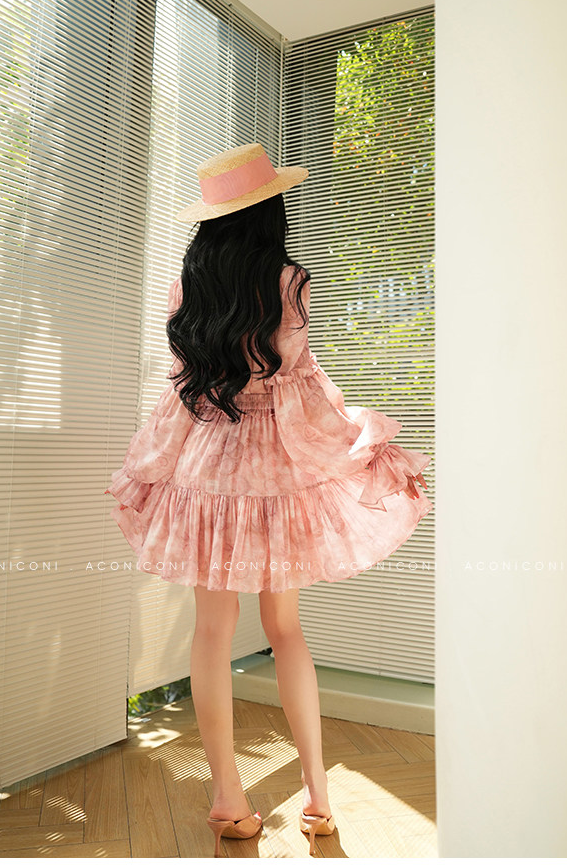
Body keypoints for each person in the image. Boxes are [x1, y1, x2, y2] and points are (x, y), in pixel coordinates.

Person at [104, 142, 432, 857]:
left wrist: (151, 464)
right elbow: (301, 384)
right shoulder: (290, 282)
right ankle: (318, 797)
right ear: (268, 211)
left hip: (206, 469)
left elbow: (181, 391)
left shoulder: (187, 287)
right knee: (285, 628)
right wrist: (356, 440)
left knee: (211, 632)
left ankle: (226, 796)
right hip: (276, 468)